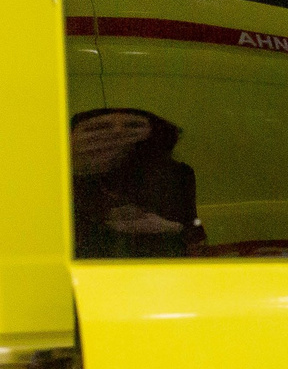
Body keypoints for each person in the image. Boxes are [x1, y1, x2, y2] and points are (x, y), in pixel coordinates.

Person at [70, 107, 202, 258]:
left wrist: (172, 229)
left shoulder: (177, 173)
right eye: (98, 127)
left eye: (132, 126)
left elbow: (191, 225)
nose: (117, 133)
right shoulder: (63, 179)